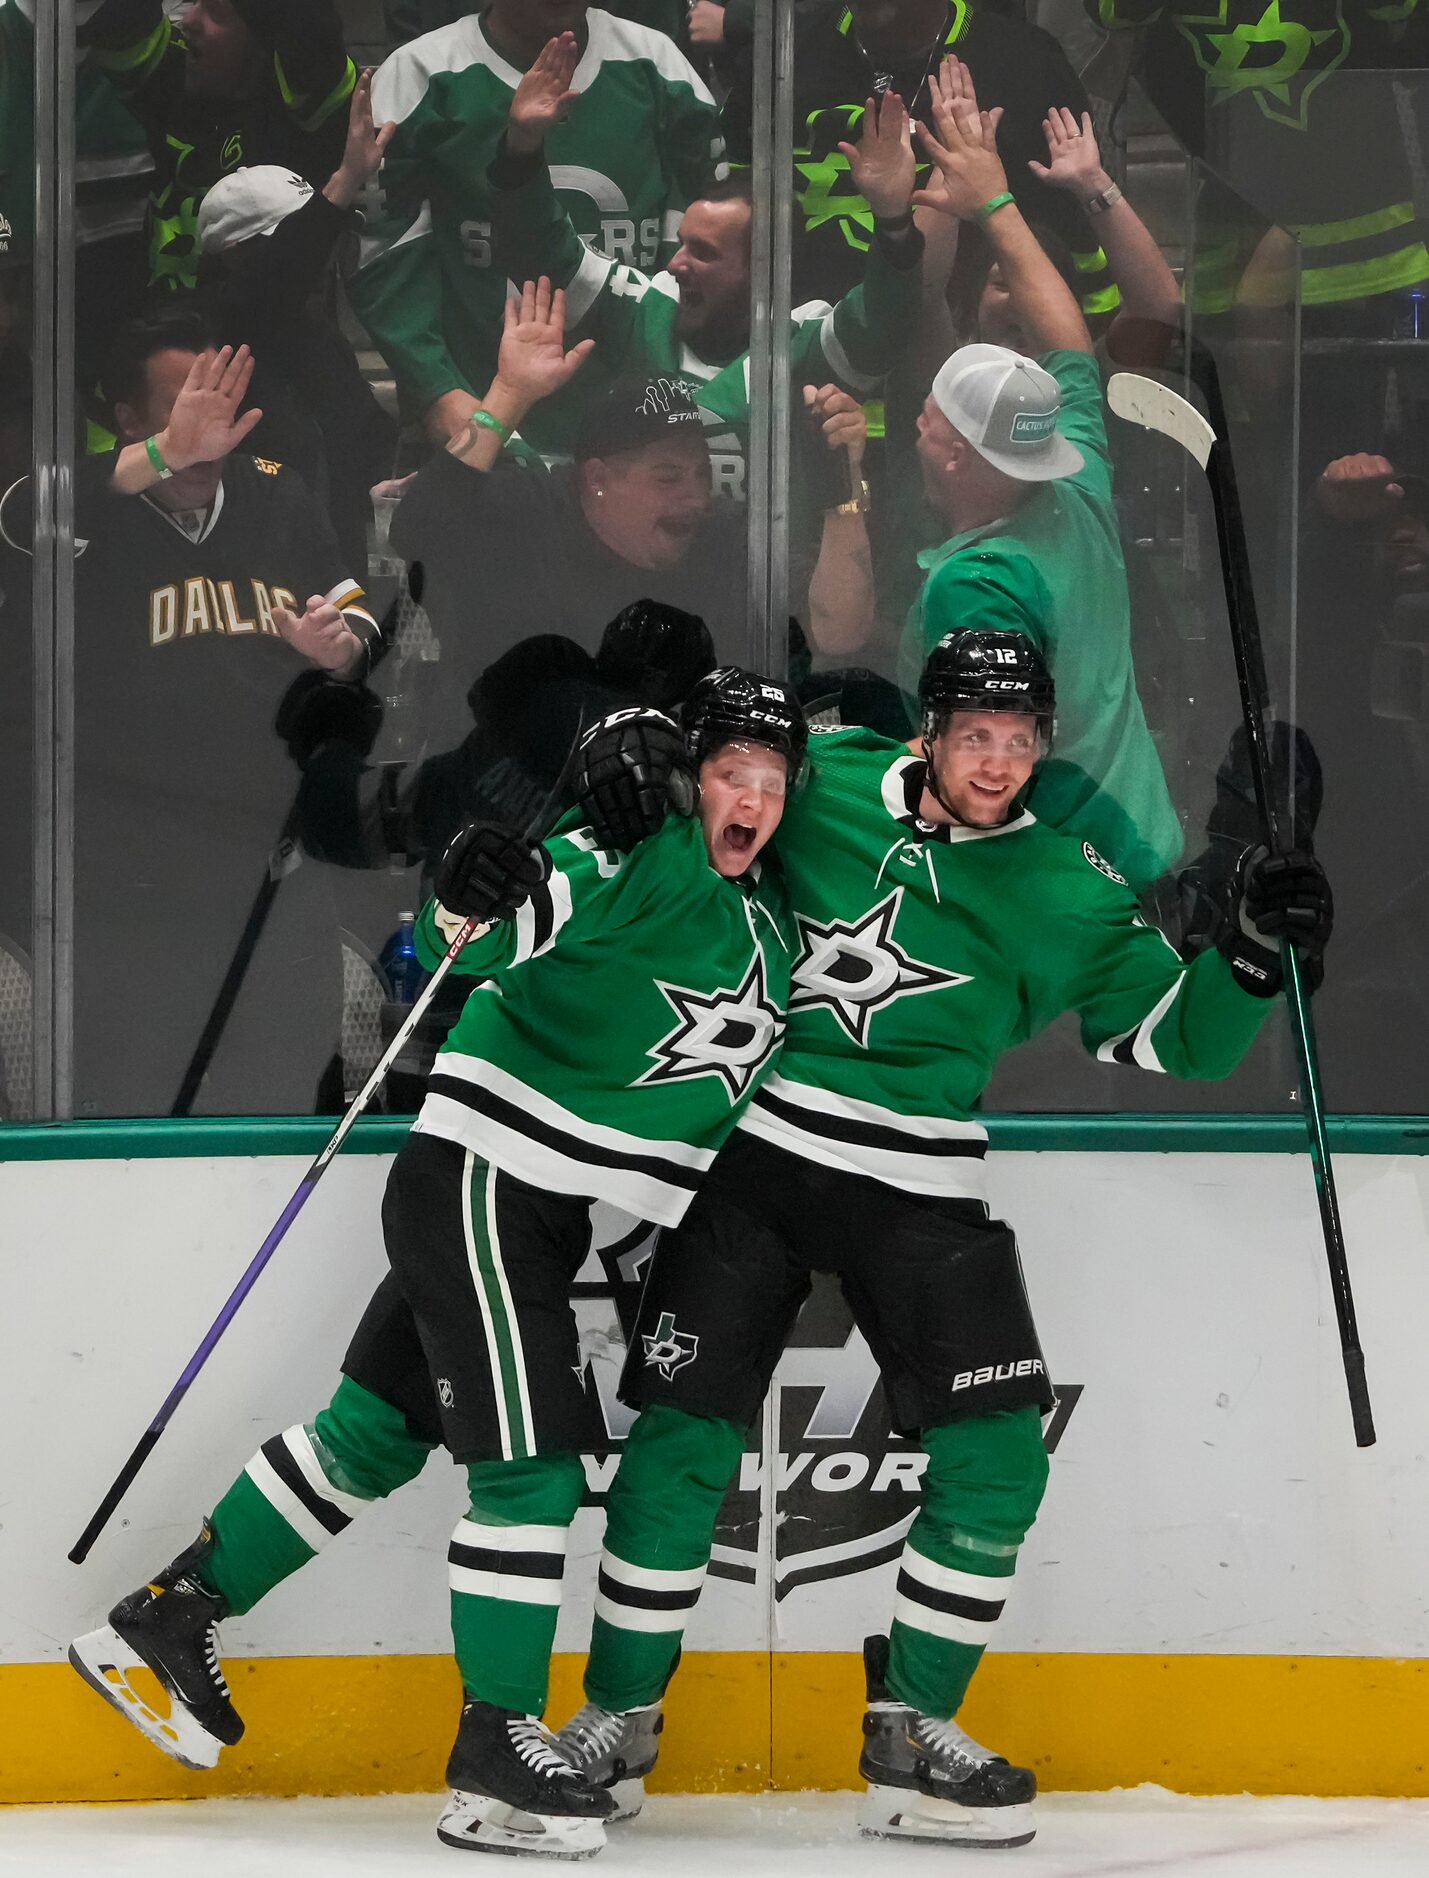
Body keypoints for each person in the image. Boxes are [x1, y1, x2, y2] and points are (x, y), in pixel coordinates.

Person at [556, 629, 1334, 1848]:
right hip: (756, 1156)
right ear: (926, 731)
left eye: (1019, 742)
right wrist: (618, 733)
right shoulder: (818, 776)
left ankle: (913, 1726)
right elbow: (710, 764)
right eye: (974, 736)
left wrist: (1247, 950)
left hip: (919, 1182)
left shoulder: (1071, 885)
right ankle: (615, 1719)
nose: (995, 763)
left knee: (999, 1460)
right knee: (678, 1445)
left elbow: (1175, 1042)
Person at [68, 669, 804, 1862]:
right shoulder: (633, 853)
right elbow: (494, 920)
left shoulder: (768, 922)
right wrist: (473, 880)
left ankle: (169, 1614)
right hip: (485, 1180)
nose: (753, 798)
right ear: (690, 779)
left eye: (774, 783)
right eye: (731, 772)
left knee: (371, 1435)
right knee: (532, 1476)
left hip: (536, 1211)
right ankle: (494, 1748)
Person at [0, 311, 378, 1117]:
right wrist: (170, 452)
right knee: (124, 1114)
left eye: (227, 402)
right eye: (187, 405)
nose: (215, 426)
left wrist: (338, 651)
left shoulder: (276, 490)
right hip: (128, 893)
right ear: (131, 422)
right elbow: (20, 513)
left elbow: (355, 609)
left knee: (283, 1109)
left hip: (274, 881)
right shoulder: (86, 510)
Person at [898, 68, 1181, 890]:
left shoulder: (979, 586)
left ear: (953, 452)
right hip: (1144, 847)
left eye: (932, 412)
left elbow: (984, 773)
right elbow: (1065, 339)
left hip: (1056, 892)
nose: (917, 417)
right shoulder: (1079, 478)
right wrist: (988, 202)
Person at [487, 36, 925, 480]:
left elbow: (884, 321)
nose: (675, 264)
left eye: (703, 253)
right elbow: (544, 251)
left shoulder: (803, 345)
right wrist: (522, 146)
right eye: (681, 244)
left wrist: (892, 217)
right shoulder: (644, 308)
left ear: (765, 273)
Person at [388, 276, 876, 670]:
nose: (695, 496)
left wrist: (842, 482)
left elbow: (839, 631)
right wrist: (509, 394)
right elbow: (417, 526)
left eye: (701, 474)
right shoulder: (534, 509)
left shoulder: (722, 536)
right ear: (597, 478)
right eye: (668, 477)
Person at [350, 1, 722, 445]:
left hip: (643, 421)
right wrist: (436, 390)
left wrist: (678, 373)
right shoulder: (419, 75)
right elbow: (382, 251)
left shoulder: (658, 65)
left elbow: (713, 239)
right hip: (480, 407)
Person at [720, 0, 1118, 320]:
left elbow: (1073, 238)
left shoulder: (1025, 62)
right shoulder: (780, 58)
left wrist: (1086, 360)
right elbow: (738, 218)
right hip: (799, 358)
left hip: (961, 370)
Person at [193, 69, 399, 572]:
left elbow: (363, 457)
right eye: (297, 237)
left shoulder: (325, 343)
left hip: (340, 596)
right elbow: (271, 282)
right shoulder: (212, 338)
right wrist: (346, 180)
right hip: (251, 596)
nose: (322, 256)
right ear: (236, 254)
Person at [81, 0, 357, 295]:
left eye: (216, 12)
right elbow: (118, 20)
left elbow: (312, 30)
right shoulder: (172, 79)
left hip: (275, 327)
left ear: (264, 38)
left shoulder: (301, 104)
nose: (189, 20)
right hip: (169, 328)